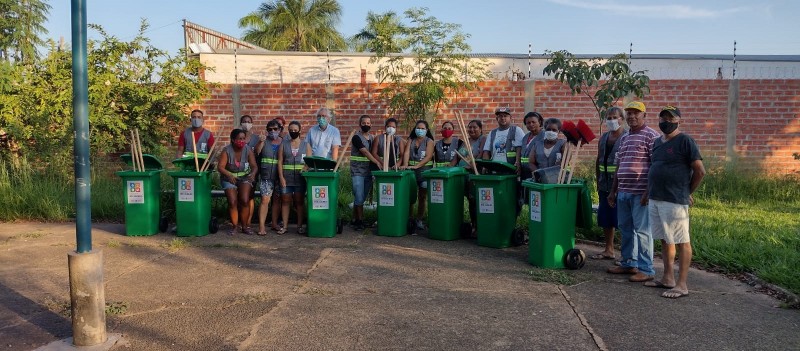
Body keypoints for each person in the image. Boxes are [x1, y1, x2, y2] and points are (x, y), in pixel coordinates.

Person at [643, 106, 705, 299]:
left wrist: (686, 192)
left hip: (674, 199)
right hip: (656, 197)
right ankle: (667, 278)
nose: (666, 122)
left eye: (670, 118)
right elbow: (655, 168)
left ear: (679, 120)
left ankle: (682, 284)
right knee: (665, 238)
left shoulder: (685, 141)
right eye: (663, 118)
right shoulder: (657, 142)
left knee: (681, 240)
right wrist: (647, 193)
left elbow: (700, 171)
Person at [606, 101, 661, 283]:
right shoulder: (625, 137)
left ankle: (646, 269)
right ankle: (629, 262)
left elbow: (655, 166)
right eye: (629, 113)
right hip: (623, 191)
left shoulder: (651, 136)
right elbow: (618, 165)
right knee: (626, 229)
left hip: (640, 193)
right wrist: (613, 191)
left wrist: (648, 191)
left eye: (636, 113)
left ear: (644, 115)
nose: (632, 116)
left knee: (643, 231)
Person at [591, 107, 626, 260]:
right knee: (606, 218)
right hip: (604, 184)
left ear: (622, 119)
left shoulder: (627, 137)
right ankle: (608, 249)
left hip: (621, 185)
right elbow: (598, 159)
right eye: (609, 118)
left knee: (623, 220)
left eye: (615, 117)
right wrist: (598, 180)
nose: (611, 120)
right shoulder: (604, 137)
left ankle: (626, 255)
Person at [217, 129, 258, 235]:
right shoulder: (226, 150)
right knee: (232, 201)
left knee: (244, 200)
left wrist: (253, 174)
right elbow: (220, 167)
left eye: (244, 139)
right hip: (228, 178)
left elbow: (254, 166)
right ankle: (235, 226)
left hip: (244, 177)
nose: (242, 141)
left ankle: (245, 226)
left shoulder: (248, 150)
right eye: (240, 139)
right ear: (233, 140)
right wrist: (229, 175)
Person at [350, 115, 382, 230]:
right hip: (357, 171)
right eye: (364, 123)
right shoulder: (356, 138)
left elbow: (375, 151)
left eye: (368, 123)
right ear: (360, 124)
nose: (366, 125)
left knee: (361, 197)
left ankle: (354, 219)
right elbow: (365, 152)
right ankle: (360, 221)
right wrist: (377, 162)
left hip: (368, 172)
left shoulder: (372, 138)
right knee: (358, 196)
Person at [402, 120, 435, 231]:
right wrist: (406, 164)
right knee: (410, 196)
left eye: (422, 128)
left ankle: (419, 219)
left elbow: (428, 156)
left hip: (424, 173)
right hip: (411, 173)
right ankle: (409, 218)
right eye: (418, 128)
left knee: (422, 196)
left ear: (426, 130)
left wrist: (418, 166)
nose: (420, 130)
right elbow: (406, 153)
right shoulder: (410, 140)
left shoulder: (429, 141)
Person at [456, 119, 486, 237]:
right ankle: (472, 225)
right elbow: (457, 158)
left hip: (474, 174)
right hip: (461, 174)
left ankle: (478, 226)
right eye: (470, 127)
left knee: (474, 201)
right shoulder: (465, 141)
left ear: (480, 129)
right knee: (468, 200)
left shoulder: (483, 139)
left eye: (475, 127)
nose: (472, 130)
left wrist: (473, 164)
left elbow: (481, 154)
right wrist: (450, 165)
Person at [277, 121, 308, 235]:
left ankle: (299, 226)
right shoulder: (283, 144)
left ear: (300, 131)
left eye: (295, 130)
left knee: (299, 202)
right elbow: (280, 162)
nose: (293, 132)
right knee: (285, 201)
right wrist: (281, 177)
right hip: (286, 178)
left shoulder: (306, 145)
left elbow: (308, 162)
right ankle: (284, 226)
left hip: (300, 179)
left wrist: (304, 169)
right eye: (291, 130)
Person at [254, 120, 283, 236]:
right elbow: (257, 152)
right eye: (270, 129)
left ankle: (274, 223)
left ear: (280, 130)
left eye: (275, 129)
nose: (272, 131)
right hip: (266, 176)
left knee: (277, 200)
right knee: (265, 200)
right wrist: (261, 142)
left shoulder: (283, 142)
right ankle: (261, 226)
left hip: (280, 176)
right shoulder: (264, 141)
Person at [481, 107, 525, 174]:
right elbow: (486, 151)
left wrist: (518, 162)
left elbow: (520, 148)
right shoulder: (492, 133)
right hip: (494, 170)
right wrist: (485, 166)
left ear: (510, 118)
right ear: (497, 119)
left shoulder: (516, 130)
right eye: (500, 116)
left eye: (505, 116)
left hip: (511, 169)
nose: (503, 118)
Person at [240, 114, 259, 230]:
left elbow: (258, 153)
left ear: (251, 124)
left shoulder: (256, 138)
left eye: (248, 121)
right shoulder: (237, 136)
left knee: (250, 197)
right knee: (240, 197)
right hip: (238, 171)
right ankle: (239, 220)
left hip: (252, 171)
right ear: (240, 123)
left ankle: (248, 221)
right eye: (244, 121)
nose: (246, 123)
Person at [520, 112, 544, 180]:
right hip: (524, 173)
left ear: (539, 122)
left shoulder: (544, 136)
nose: (531, 124)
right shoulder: (525, 137)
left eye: (533, 122)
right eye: (528, 123)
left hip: (537, 171)